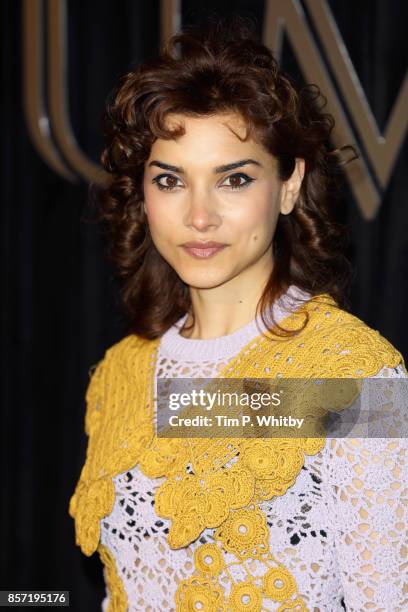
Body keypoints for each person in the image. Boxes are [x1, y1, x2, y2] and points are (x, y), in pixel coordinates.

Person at [69, 18, 408, 612]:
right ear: (143, 195)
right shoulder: (120, 374)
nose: (200, 217)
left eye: (234, 179)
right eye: (171, 180)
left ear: (288, 185)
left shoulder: (357, 379)